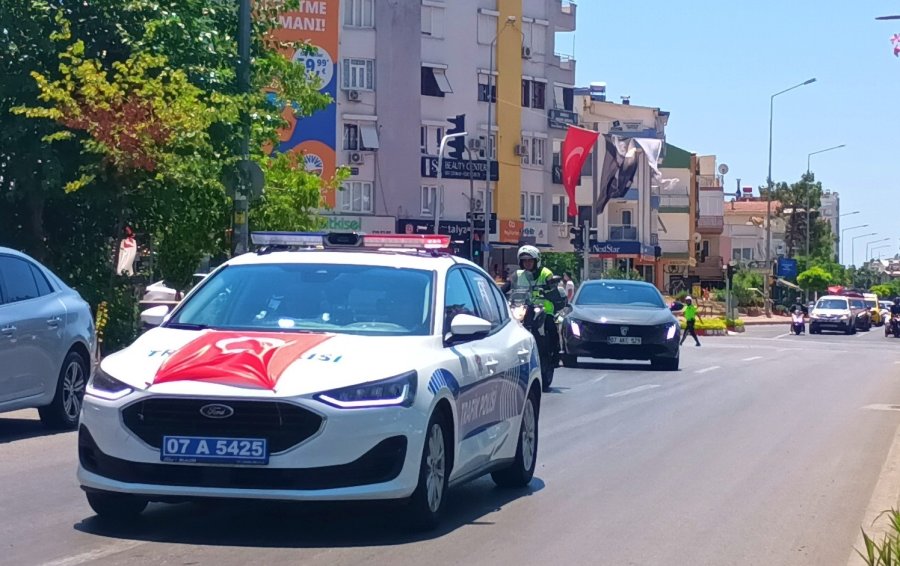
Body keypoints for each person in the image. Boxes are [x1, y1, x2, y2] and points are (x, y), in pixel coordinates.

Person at [503, 245, 559, 364]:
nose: (527, 263)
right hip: (522, 307)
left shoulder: (545, 273)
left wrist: (548, 288)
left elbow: (553, 289)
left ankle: (555, 353)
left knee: (550, 325)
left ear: (536, 261)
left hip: (543, 308)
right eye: (524, 261)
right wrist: (497, 293)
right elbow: (506, 287)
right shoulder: (517, 274)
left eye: (530, 260)